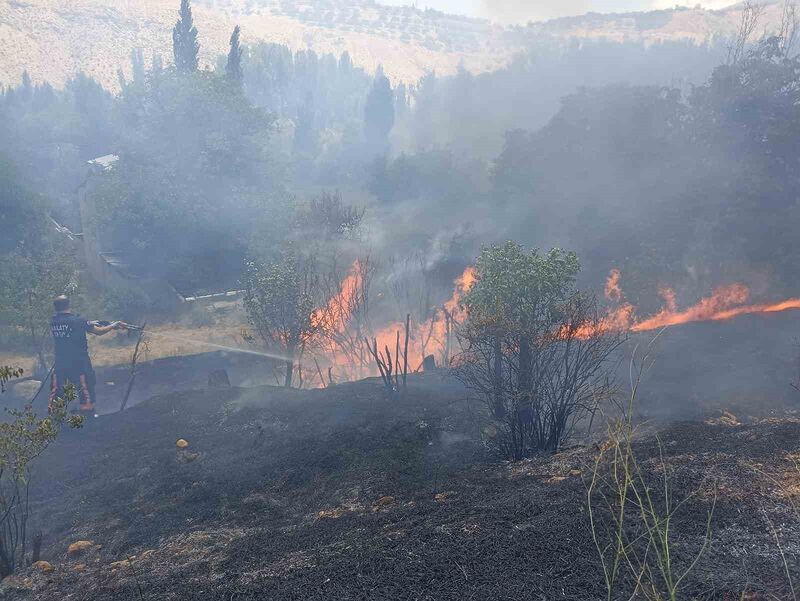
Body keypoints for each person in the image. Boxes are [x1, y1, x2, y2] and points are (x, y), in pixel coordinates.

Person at [49, 295, 126, 415]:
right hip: (79, 363)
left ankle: (54, 420)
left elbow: (75, 324)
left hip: (60, 364)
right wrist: (113, 325)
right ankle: (88, 417)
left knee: (58, 391)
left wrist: (92, 322)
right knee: (85, 389)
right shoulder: (78, 320)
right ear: (69, 304)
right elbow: (98, 332)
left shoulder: (53, 321)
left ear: (55, 307)